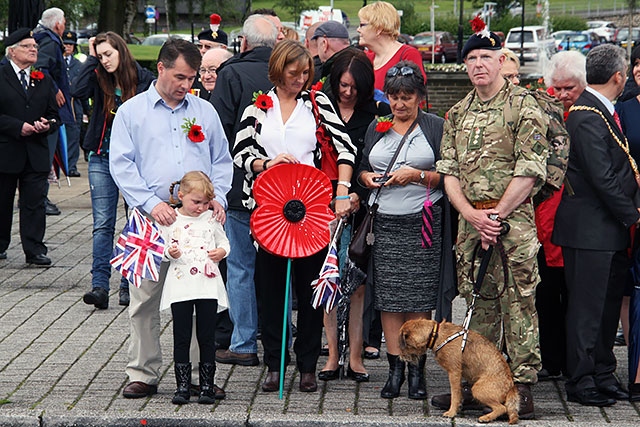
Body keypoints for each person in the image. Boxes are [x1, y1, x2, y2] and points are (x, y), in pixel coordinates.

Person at [434, 25, 549, 419]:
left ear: (501, 60)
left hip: (512, 221)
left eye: (486, 57)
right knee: (478, 305)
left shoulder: (524, 105)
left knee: (519, 304)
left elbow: (532, 168)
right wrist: (469, 214)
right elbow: (448, 171)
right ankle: (475, 386)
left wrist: (496, 215)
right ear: (464, 65)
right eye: (472, 59)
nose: (479, 64)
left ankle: (522, 388)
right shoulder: (458, 113)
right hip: (472, 223)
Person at [109, 38, 233, 399]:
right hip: (152, 218)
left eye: (192, 77)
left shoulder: (204, 112)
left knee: (196, 297)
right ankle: (143, 372)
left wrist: (217, 199)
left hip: (196, 219)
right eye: (180, 76)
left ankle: (195, 374)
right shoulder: (132, 112)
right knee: (144, 297)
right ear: (161, 68)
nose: (186, 85)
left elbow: (221, 161)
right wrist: (149, 202)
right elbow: (121, 164)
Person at [233, 39, 355, 393]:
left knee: (309, 287)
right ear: (277, 70)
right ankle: (274, 363)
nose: (300, 79)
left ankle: (306, 367)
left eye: (305, 73)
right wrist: (266, 163)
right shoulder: (259, 107)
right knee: (270, 289)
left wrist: (342, 192)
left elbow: (346, 147)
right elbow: (240, 153)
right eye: (292, 73)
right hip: (270, 211)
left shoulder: (317, 103)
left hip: (311, 209)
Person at [357, 60, 453, 399]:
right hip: (385, 223)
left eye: (407, 97)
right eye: (394, 97)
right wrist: (366, 179)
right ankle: (394, 369)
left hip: (423, 224)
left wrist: (417, 175)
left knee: (419, 298)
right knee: (388, 299)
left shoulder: (436, 127)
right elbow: (363, 168)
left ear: (420, 97)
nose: (400, 104)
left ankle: (417, 372)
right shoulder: (376, 127)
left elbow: (450, 176)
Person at [553, 44, 637, 407]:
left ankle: (602, 371)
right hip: (589, 230)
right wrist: (633, 214)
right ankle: (581, 378)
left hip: (608, 230)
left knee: (605, 310)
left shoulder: (600, 111)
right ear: (619, 76)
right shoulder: (586, 114)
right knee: (587, 311)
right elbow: (602, 177)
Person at [318, 49, 390, 384]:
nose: (347, 92)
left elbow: (378, 161)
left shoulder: (377, 114)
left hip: (362, 202)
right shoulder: (320, 107)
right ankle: (333, 354)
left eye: (354, 87)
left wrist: (357, 196)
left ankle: (357, 355)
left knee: (358, 284)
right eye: (342, 85)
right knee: (329, 279)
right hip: (322, 204)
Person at [210, 13, 279, 368]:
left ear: (244, 42)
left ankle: (243, 343)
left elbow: (219, 131)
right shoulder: (286, 72)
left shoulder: (232, 73)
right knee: (278, 267)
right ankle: (279, 343)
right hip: (282, 190)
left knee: (240, 266)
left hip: (240, 185)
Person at [72, 32, 155, 309]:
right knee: (103, 223)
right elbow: (76, 90)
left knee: (135, 219)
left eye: (109, 54)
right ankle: (99, 286)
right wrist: (91, 55)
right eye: (101, 55)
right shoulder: (98, 78)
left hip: (134, 160)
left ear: (121, 50)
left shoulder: (143, 79)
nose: (105, 60)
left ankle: (127, 283)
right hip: (102, 158)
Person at [535, 51, 587, 381]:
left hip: (577, 217)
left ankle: (574, 360)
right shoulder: (542, 113)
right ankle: (551, 358)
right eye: (558, 88)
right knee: (546, 295)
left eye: (569, 88)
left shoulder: (588, 116)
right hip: (544, 215)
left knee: (575, 296)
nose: (563, 95)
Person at [159, 171, 230, 405]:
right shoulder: (171, 220)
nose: (200, 207)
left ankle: (207, 385)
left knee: (206, 336)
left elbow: (223, 242)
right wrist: (170, 252)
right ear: (181, 195)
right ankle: (182, 385)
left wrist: (222, 252)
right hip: (181, 285)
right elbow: (162, 250)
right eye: (196, 202)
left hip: (207, 285)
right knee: (181, 335)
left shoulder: (211, 219)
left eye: (205, 203)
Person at [0, 28, 59, 266]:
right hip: (6, 150)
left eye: (35, 46)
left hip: (35, 152)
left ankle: (34, 249)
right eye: (27, 46)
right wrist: (17, 127)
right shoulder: (1, 75)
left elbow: (56, 115)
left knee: (34, 203)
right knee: (2, 201)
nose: (33, 49)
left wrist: (48, 124)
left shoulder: (42, 79)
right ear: (12, 51)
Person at [615, 44, 640, 403]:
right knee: (634, 291)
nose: (639, 71)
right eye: (637, 64)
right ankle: (636, 374)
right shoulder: (623, 111)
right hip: (634, 210)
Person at [33, 7, 71, 216]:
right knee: (46, 155)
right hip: (50, 109)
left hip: (43, 107)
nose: (64, 25)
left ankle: (38, 196)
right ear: (57, 24)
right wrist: (55, 90)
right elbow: (41, 68)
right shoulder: (50, 40)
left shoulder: (41, 38)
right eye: (64, 21)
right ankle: (40, 198)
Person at [357, 1, 426, 91]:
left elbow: (413, 96)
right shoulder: (366, 58)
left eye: (362, 25)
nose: (358, 29)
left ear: (378, 29)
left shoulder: (408, 55)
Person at [62, 30, 82, 177]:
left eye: (71, 45)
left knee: (74, 136)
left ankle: (71, 166)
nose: (68, 47)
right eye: (66, 44)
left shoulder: (78, 64)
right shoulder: (56, 62)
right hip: (60, 104)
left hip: (75, 105)